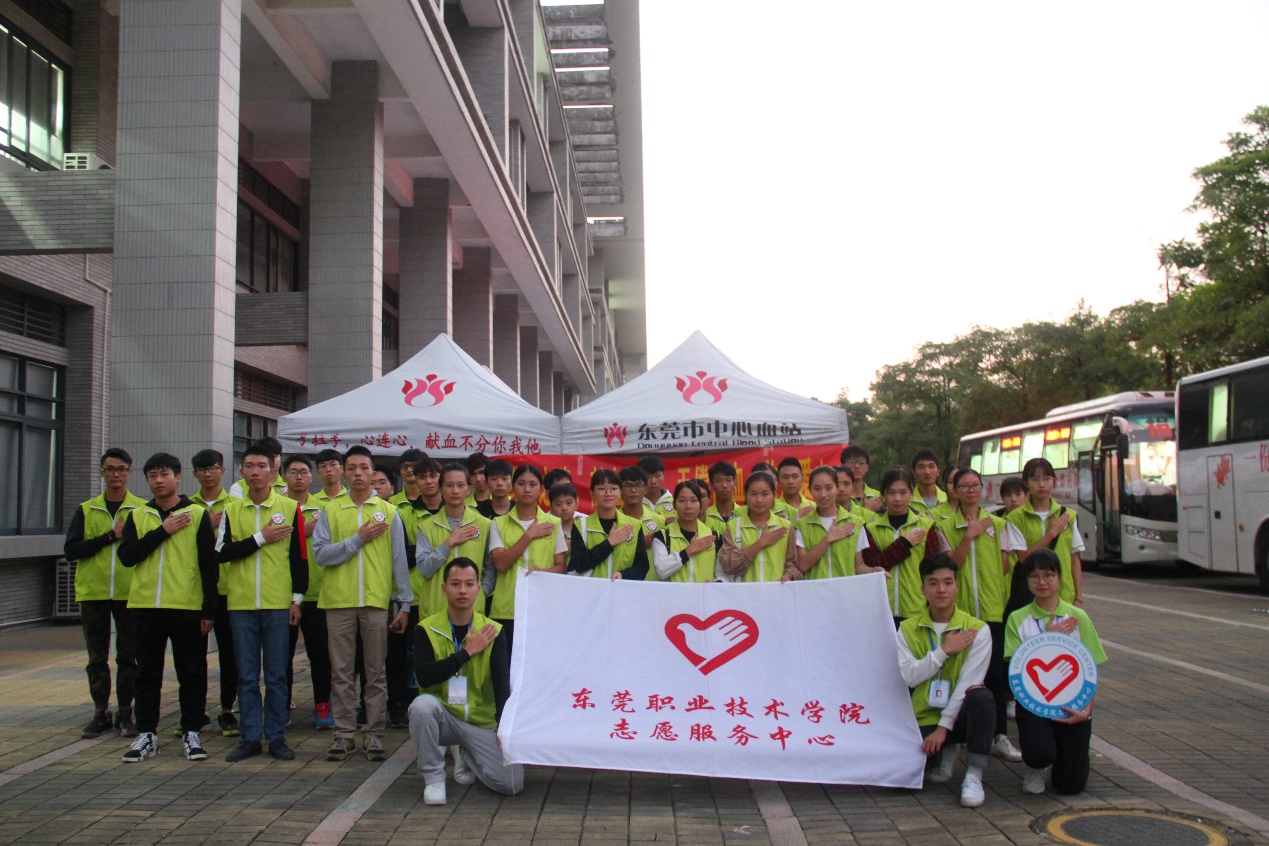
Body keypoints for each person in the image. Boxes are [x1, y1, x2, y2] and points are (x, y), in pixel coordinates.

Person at [311, 446, 413, 762]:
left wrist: (404, 604)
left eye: (364, 468)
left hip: (375, 601)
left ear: (373, 472)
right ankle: (343, 735)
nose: (358, 473)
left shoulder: (389, 511)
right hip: (338, 601)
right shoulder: (330, 510)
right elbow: (321, 555)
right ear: (343, 472)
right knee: (341, 673)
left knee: (375, 672)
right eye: (352, 467)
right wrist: (358, 538)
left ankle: (374, 734)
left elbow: (399, 560)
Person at [117, 453, 218, 763]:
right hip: (145, 606)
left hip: (186, 606)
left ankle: (192, 731)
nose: (158, 481)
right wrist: (163, 530)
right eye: (152, 476)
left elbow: (209, 564)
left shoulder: (197, 514)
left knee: (192, 672)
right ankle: (147, 733)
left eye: (164, 475)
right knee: (147, 673)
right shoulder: (138, 516)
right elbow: (128, 557)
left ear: (178, 477)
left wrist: (209, 610)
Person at [216, 445, 308, 761]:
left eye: (261, 466)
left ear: (272, 471)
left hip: (277, 603)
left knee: (276, 675)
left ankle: (277, 737)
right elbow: (221, 553)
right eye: (249, 466)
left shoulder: (289, 507)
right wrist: (260, 538)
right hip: (241, 604)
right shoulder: (232, 510)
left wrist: (297, 600)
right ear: (241, 472)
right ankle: (250, 737)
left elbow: (299, 557)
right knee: (246, 675)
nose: (255, 472)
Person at [409, 557, 523, 805]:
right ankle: (434, 777)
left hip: (481, 723)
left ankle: (467, 754)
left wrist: (503, 729)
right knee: (421, 707)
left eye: (469, 584)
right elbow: (425, 677)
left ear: (478, 589)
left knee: (512, 784)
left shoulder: (493, 630)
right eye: (455, 584)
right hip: (445, 717)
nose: (462, 590)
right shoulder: (426, 628)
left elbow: (502, 685)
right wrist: (466, 652)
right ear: (444, 588)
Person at [934, 467, 1023, 763]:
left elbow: (1005, 566)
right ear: (955, 490)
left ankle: (999, 736)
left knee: (994, 675)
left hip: (991, 610)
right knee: (956, 674)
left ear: (982, 489)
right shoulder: (946, 525)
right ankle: (953, 738)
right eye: (964, 486)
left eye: (975, 485)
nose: (970, 491)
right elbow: (952, 566)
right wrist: (968, 537)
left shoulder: (998, 524)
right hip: (960, 612)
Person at [1005, 549, 1107, 795]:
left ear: (1059, 578)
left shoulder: (1077, 617)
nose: (1042, 582)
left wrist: (1085, 711)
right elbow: (1018, 669)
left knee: (1070, 785)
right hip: (1033, 705)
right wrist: (1048, 639)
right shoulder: (1017, 619)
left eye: (1048, 575)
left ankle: (1066, 758)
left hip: (1072, 705)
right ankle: (1038, 766)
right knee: (1039, 753)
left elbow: (1090, 668)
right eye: (1034, 576)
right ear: (1027, 580)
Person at [896, 554, 994, 808]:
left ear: (956, 586)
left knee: (982, 697)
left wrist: (944, 727)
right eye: (933, 583)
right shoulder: (907, 629)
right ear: (923, 589)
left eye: (948, 582)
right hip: (924, 716)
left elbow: (968, 682)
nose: (941, 589)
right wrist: (943, 651)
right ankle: (946, 751)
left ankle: (974, 775)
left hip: (959, 717)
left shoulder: (977, 629)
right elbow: (910, 676)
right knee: (901, 780)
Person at [64, 448, 147, 739]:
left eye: (121, 469)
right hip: (94, 592)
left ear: (129, 473)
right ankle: (100, 712)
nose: (115, 474)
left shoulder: (141, 509)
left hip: (129, 592)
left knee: (128, 656)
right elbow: (72, 550)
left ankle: (126, 713)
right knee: (96, 657)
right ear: (101, 473)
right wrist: (111, 536)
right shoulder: (86, 509)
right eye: (110, 469)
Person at [488, 464, 567, 654]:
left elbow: (561, 567)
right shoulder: (498, 523)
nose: (527, 489)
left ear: (541, 489)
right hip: (506, 609)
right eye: (521, 483)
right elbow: (501, 564)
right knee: (507, 665)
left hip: (542, 608)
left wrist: (543, 572)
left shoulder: (553, 523)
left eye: (533, 484)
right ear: (512, 487)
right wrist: (529, 535)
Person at [190, 448, 240, 738]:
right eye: (201, 469)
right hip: (195, 591)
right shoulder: (186, 507)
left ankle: (227, 709)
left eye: (212, 468)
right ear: (194, 474)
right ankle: (195, 712)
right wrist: (205, 524)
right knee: (193, 656)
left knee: (229, 655)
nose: (207, 474)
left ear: (222, 471)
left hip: (228, 590)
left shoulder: (235, 505)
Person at [282, 454, 334, 730]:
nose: (299, 477)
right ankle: (283, 705)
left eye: (303, 471)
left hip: (317, 593)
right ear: (284, 476)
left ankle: (322, 705)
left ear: (311, 476)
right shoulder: (277, 507)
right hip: (283, 593)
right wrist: (302, 531)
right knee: (283, 655)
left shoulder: (323, 508)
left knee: (320, 654)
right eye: (293, 472)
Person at [415, 464, 493, 618]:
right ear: (441, 489)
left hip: (473, 612)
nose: (455, 491)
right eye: (449, 485)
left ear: (469, 489)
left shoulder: (484, 525)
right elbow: (424, 569)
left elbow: (490, 567)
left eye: (460, 485)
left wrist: (482, 592)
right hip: (435, 610)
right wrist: (448, 543)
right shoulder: (427, 526)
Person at [860, 467, 935, 624]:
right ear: (883, 494)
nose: (897, 498)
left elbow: (933, 569)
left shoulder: (926, 526)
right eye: (891, 493)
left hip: (916, 607)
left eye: (903, 492)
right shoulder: (871, 528)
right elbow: (873, 565)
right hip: (881, 608)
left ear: (911, 493)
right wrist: (903, 544)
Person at [1006, 458, 1085, 607]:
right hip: (1031, 599)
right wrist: (1051, 534)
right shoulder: (1016, 518)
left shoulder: (1067, 515)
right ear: (1026, 483)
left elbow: (1074, 560)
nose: (1041, 484)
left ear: (1054, 481)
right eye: (1035, 479)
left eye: (1047, 478)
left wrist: (1078, 597)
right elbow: (1023, 558)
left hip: (1064, 597)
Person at [718, 471, 798, 583]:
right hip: (744, 592)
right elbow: (728, 565)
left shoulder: (786, 526)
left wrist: (789, 575)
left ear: (774, 496)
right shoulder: (733, 526)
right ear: (746, 495)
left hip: (775, 592)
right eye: (753, 494)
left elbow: (793, 565)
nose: (759, 500)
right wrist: (760, 543)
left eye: (765, 494)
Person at [569, 469, 648, 580]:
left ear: (620, 492)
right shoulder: (580, 526)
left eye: (614, 489)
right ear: (592, 493)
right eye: (602, 489)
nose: (608, 493)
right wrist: (609, 543)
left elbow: (642, 566)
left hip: (622, 588)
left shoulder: (635, 525)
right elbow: (579, 564)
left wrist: (624, 575)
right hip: (592, 589)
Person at [794, 466, 868, 579]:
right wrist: (828, 539)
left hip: (845, 589)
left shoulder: (856, 523)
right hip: (815, 589)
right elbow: (802, 565)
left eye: (829, 488)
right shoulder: (802, 525)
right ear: (810, 490)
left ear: (837, 488)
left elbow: (858, 567)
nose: (823, 494)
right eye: (817, 489)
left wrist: (874, 570)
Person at [652, 480, 721, 582]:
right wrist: (689, 551)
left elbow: (723, 573)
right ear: (674, 504)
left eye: (693, 500)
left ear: (700, 504)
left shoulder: (714, 536)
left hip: (703, 592)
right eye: (682, 501)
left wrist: (717, 583)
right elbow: (661, 571)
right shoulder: (663, 536)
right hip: (675, 593)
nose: (688, 506)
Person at [618, 466, 663, 555]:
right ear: (620, 490)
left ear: (645, 489)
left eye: (638, 485)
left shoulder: (660, 521)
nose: (633, 490)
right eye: (628, 486)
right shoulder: (614, 521)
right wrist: (641, 544)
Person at [704, 461, 743, 536]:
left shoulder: (744, 514)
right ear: (711, 486)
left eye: (728, 480)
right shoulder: (705, 516)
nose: (724, 485)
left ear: (735, 483)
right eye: (719, 481)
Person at [840, 445, 882, 510]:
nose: (857, 466)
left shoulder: (877, 496)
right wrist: (867, 511)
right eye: (852, 462)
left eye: (861, 463)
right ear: (843, 465)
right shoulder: (839, 495)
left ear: (867, 467)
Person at [909, 449, 947, 517]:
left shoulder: (947, 499)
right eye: (921, 467)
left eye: (931, 466)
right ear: (914, 473)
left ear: (938, 471)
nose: (927, 472)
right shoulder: (908, 501)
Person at [637, 456, 674, 520]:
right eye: (648, 477)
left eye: (658, 476)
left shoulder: (673, 502)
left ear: (663, 476)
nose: (653, 481)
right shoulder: (635, 504)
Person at [548, 482, 579, 554]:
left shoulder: (583, 528)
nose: (564, 508)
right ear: (551, 507)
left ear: (576, 505)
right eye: (558, 504)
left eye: (569, 503)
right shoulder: (546, 530)